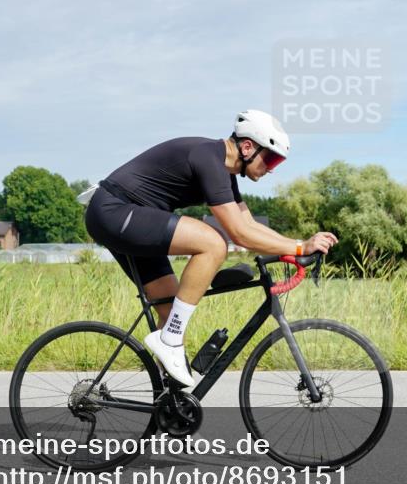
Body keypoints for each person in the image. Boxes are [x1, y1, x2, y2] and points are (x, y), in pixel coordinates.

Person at [84, 110, 337, 387]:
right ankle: (170, 341)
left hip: (131, 217)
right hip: (114, 211)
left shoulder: (224, 172)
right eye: (271, 158)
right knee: (214, 243)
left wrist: (292, 247)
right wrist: (301, 247)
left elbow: (248, 224)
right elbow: (239, 234)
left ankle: (169, 402)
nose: (272, 168)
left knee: (169, 308)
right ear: (248, 147)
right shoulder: (209, 157)